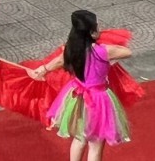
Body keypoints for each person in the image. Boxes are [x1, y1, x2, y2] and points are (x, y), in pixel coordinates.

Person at [28, 10, 133, 158]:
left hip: (76, 96)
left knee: (80, 137)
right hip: (98, 99)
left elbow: (58, 62)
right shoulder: (102, 51)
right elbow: (127, 52)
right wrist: (99, 37)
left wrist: (43, 69)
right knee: (95, 143)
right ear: (92, 31)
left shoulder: (71, 49)